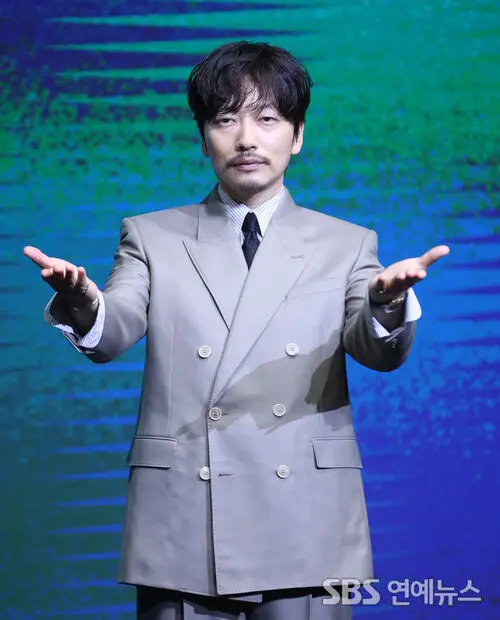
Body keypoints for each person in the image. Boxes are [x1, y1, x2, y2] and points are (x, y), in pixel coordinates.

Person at [24, 41, 449, 620]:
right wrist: (82, 300)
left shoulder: (348, 244)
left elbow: (374, 348)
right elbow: (115, 328)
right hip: (185, 512)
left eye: (267, 119)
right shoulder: (151, 236)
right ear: (204, 138)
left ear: (297, 135)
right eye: (226, 120)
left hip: (306, 514)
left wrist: (387, 303)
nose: (247, 139)